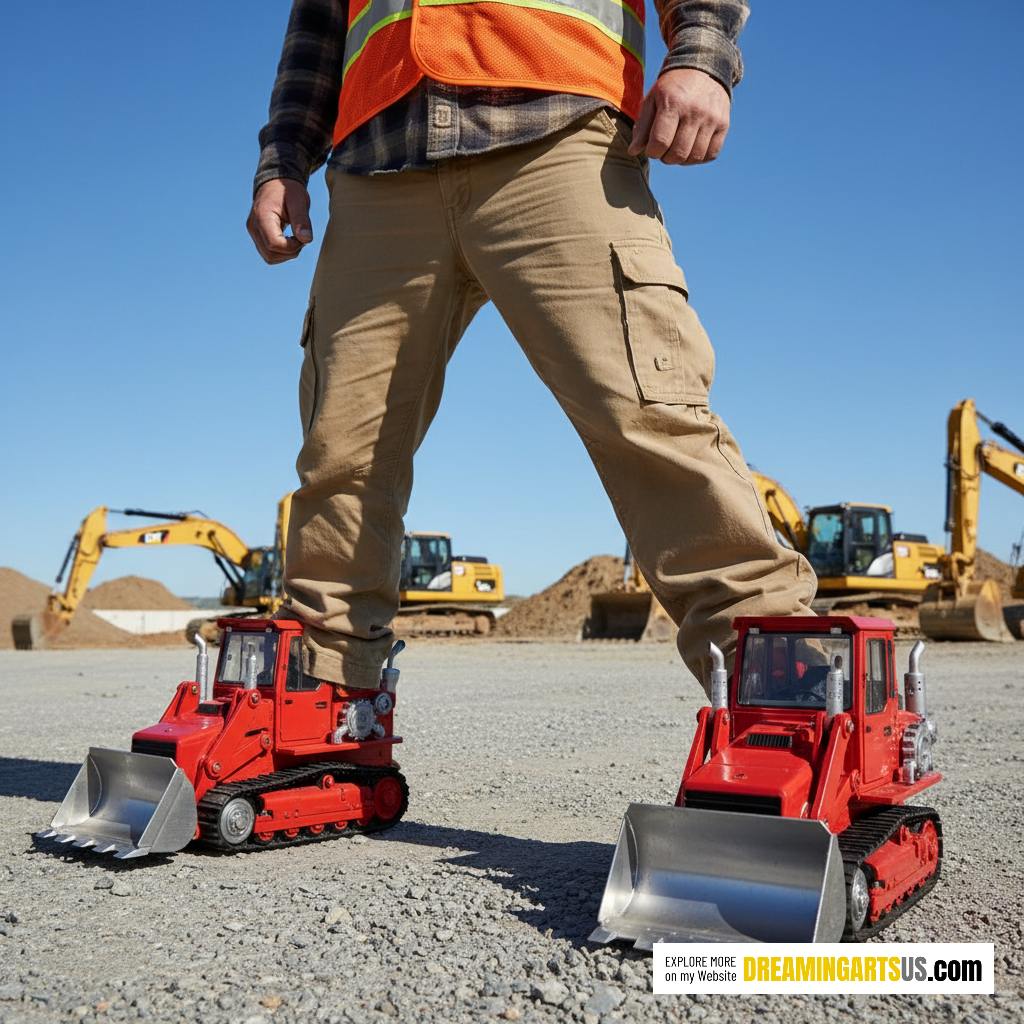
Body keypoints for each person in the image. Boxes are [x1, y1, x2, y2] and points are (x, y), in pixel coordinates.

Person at [248, 0, 816, 696]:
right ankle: (323, 708)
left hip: (558, 128)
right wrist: (283, 160)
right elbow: (318, 30)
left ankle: (785, 696)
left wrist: (701, 56)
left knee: (645, 415)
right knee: (343, 456)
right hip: (378, 168)